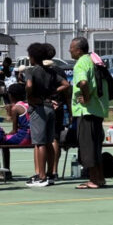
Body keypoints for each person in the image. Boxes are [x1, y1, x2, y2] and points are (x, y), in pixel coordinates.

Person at [24, 43, 70, 187]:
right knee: (50, 141)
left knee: (39, 143)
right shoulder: (50, 71)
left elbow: (29, 85)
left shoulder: (31, 70)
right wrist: (53, 91)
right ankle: (50, 174)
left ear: (32, 57)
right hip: (51, 106)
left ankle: (41, 176)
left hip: (38, 108)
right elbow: (66, 84)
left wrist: (29, 96)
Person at [69, 37, 109, 189]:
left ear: (78, 50)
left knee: (88, 146)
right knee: (96, 146)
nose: (69, 51)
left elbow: (83, 82)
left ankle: (93, 179)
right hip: (98, 110)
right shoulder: (93, 60)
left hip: (87, 111)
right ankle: (99, 178)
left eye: (71, 48)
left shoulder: (81, 63)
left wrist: (85, 97)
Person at [44, 43, 71, 181]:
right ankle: (54, 170)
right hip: (59, 107)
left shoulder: (40, 70)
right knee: (54, 139)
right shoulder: (60, 71)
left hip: (46, 107)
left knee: (47, 140)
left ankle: (46, 172)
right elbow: (67, 92)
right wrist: (70, 111)